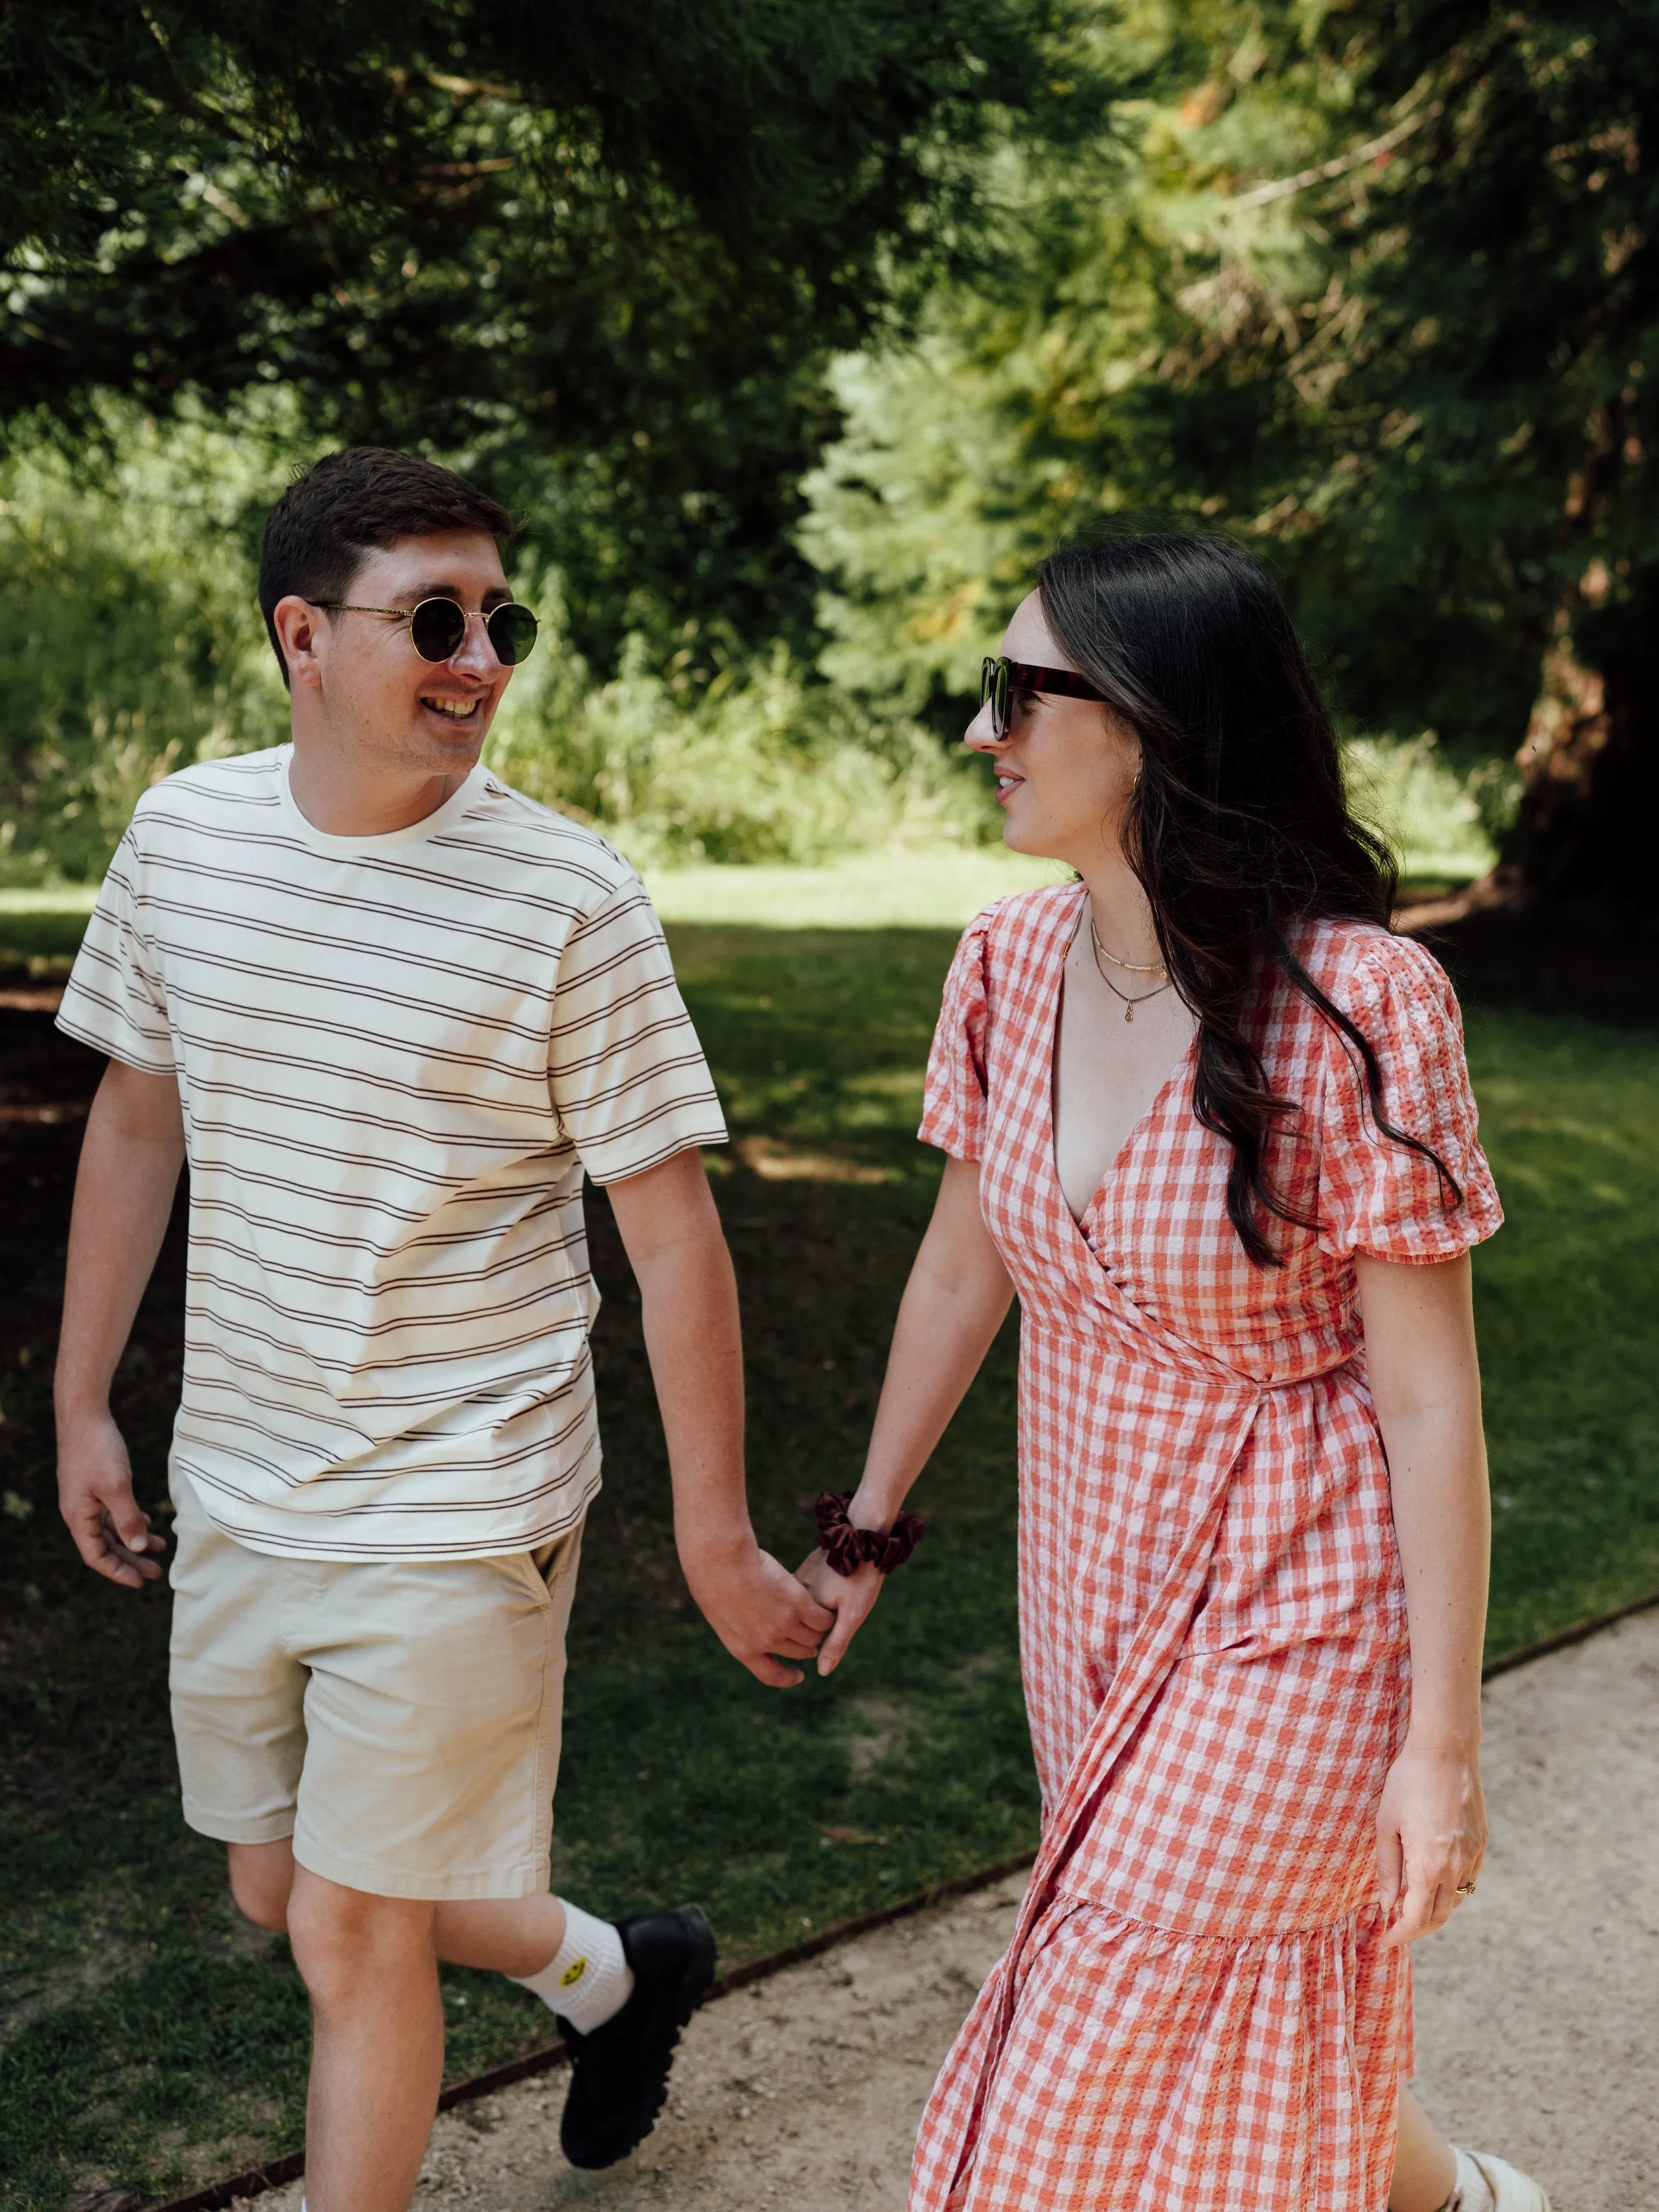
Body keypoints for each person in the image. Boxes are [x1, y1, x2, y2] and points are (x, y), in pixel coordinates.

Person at [52, 446, 832, 2212]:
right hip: (245, 1466)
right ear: (301, 637)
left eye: (501, 618)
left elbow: (672, 1235)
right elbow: (134, 1118)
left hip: (463, 1485)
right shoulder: (188, 834)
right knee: (281, 1886)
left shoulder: (571, 899)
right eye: (433, 617)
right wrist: (83, 1398)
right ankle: (613, 1973)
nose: (479, 658)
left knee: (346, 1925)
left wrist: (710, 1532)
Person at [799, 537, 1551, 2212]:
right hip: (1088, 1571)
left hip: (1303, 1593)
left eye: (1018, 692)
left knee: (1085, 2042)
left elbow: (1430, 1399)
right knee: (1245, 2005)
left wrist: (1438, 1746)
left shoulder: (1358, 1001)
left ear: (1148, 721)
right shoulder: (1001, 966)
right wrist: (862, 1527)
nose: (981, 731)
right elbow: (958, 1263)